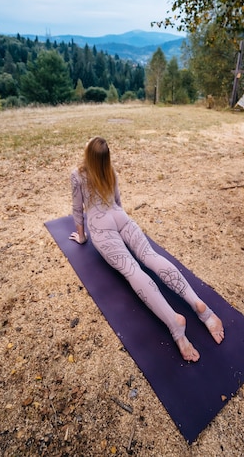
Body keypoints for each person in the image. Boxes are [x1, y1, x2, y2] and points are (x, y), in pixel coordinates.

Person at [69, 136, 224, 362]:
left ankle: (175, 324)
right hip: (122, 219)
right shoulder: (111, 172)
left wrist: (82, 238)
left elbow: (76, 210)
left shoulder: (77, 175)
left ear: (88, 156)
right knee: (150, 256)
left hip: (101, 228)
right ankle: (202, 308)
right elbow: (119, 203)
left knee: (132, 270)